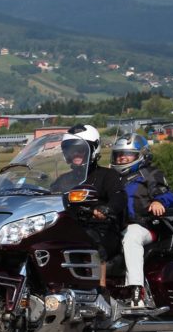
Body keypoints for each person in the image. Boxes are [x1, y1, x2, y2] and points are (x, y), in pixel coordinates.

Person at [53, 124, 126, 293]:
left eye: (80, 150)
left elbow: (119, 197)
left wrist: (107, 209)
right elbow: (49, 197)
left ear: (93, 149)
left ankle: (101, 292)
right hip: (69, 227)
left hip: (102, 228)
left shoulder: (108, 175)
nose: (76, 154)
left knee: (91, 241)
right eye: (71, 150)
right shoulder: (63, 180)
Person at [111, 133, 173, 308]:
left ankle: (136, 291)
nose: (122, 158)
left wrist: (159, 201)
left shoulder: (149, 174)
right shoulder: (111, 177)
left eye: (127, 154)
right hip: (114, 227)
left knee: (132, 235)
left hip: (145, 227)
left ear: (142, 155)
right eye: (118, 154)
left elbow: (168, 195)